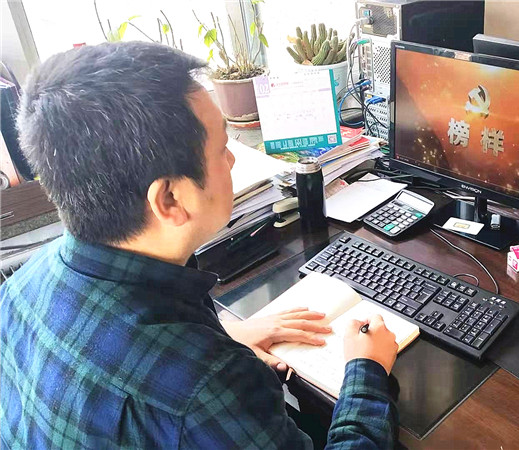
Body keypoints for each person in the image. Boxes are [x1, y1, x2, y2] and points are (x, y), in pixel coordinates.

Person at [0, 42, 399, 449]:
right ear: (170, 199)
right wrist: (366, 371)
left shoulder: (18, 289)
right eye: (222, 149)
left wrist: (225, 334)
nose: (232, 161)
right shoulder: (205, 387)